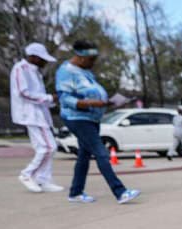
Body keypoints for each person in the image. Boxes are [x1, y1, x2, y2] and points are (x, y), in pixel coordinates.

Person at [55, 40, 140, 204]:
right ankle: (120, 192)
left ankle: (75, 192)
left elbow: (91, 92)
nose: (93, 63)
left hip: (91, 118)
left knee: (84, 156)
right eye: (91, 59)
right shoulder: (66, 71)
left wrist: (106, 102)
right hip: (78, 118)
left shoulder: (84, 71)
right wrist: (93, 104)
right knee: (101, 153)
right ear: (80, 57)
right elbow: (65, 99)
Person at [10, 42, 63, 193]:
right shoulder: (21, 69)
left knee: (46, 147)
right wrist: (48, 98)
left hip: (39, 113)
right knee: (48, 147)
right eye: (42, 59)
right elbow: (23, 92)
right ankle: (27, 174)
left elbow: (36, 93)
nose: (45, 62)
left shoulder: (35, 72)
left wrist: (51, 101)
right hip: (30, 114)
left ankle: (43, 180)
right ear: (33, 57)